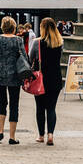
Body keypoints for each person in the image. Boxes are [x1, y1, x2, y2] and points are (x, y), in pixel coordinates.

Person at [0, 17, 26, 145]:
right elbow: (24, 58)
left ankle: (0, 131)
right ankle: (12, 136)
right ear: (14, 27)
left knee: (2, 102)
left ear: (2, 27)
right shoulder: (18, 40)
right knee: (14, 104)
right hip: (15, 75)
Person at [30, 17, 64, 145]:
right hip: (55, 79)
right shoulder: (60, 42)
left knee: (40, 108)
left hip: (41, 80)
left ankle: (41, 135)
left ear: (42, 28)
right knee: (51, 108)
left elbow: (31, 58)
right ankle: (51, 135)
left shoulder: (37, 42)